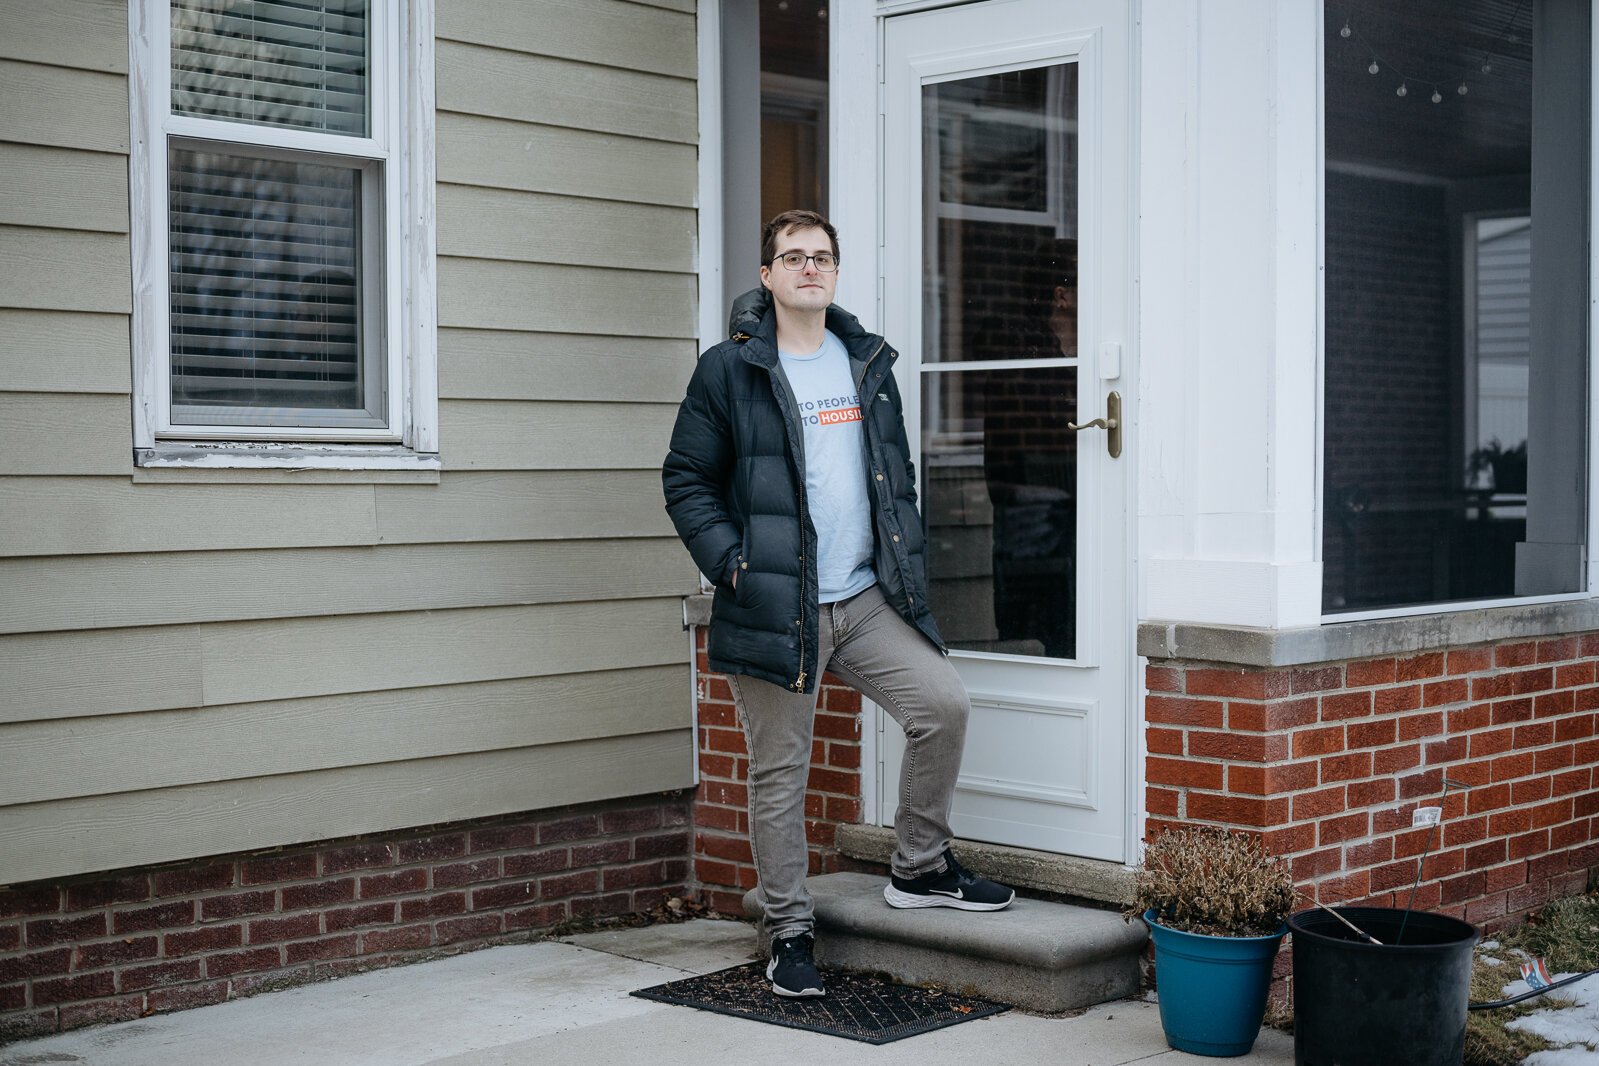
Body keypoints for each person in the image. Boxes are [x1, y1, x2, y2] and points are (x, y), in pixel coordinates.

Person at [662, 209, 1014, 1000]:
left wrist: (904, 563)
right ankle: (788, 928)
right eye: (792, 257)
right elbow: (684, 480)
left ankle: (919, 867)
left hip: (861, 597)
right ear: (767, 276)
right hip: (773, 600)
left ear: (835, 272)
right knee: (780, 771)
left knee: (941, 706)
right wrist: (733, 564)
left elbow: (896, 475)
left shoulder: (865, 363)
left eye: (821, 257)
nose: (808, 268)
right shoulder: (731, 369)